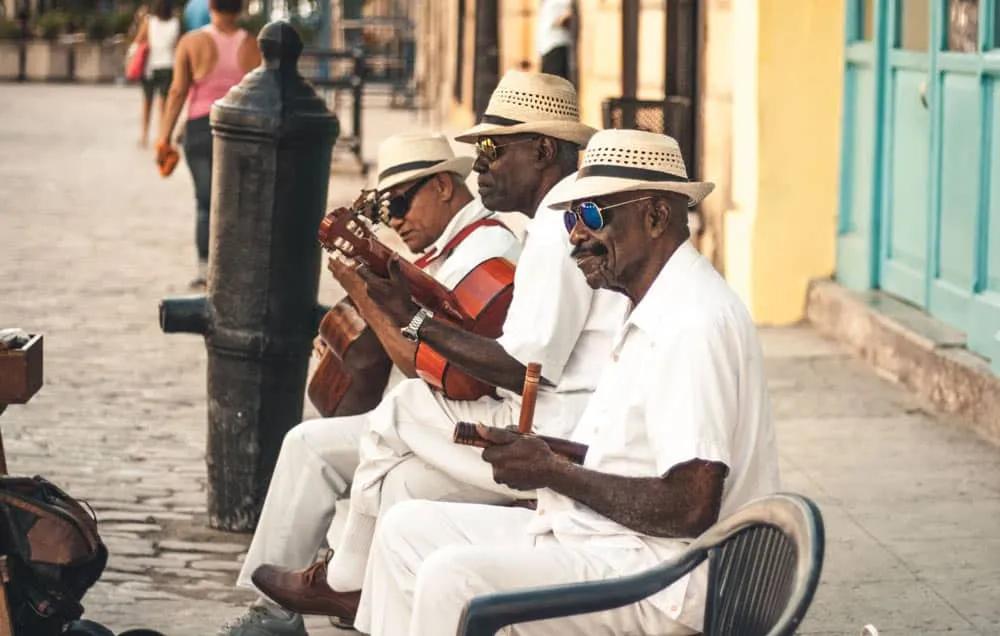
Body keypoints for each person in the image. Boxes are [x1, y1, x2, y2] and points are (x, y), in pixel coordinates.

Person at [356, 129, 781, 635]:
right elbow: (634, 457)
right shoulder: (650, 303)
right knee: (406, 530)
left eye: (595, 215)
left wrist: (553, 473)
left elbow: (690, 506)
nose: (577, 235)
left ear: (656, 216)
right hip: (613, 543)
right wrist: (544, 456)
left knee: (456, 577)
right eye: (573, 218)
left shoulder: (691, 323)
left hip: (666, 581)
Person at [248, 71, 629, 630]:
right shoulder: (557, 222)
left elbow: (523, 367)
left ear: (544, 149)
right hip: (557, 412)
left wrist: (416, 320)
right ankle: (345, 596)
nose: (480, 166)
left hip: (557, 426)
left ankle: (345, 579)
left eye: (494, 150)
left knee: (403, 411)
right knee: (402, 486)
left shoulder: (556, 228)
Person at [216, 132, 523, 636]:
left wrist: (367, 296)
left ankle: (344, 586)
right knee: (307, 444)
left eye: (402, 202)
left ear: (444, 186)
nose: (396, 220)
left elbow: (427, 364)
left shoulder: (486, 250)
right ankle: (273, 609)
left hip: (473, 422)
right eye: (386, 211)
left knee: (392, 433)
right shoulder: (443, 250)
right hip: (446, 417)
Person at [156, 0, 260, 289]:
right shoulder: (253, 45)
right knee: (239, 202)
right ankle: (237, 267)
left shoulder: (191, 43)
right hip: (242, 129)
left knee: (205, 202)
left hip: (201, 127)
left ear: (210, 6)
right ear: (240, 8)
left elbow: (177, 91)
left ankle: (205, 271)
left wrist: (163, 137)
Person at [132, 0, 180, 148]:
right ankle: (162, 135)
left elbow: (138, 40)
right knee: (163, 104)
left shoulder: (149, 22)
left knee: (147, 102)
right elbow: (176, 46)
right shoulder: (175, 23)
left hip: (150, 67)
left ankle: (144, 135)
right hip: (168, 66)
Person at [536, 0, 573, 79]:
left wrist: (559, 22)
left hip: (557, 44)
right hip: (546, 47)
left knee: (556, 81)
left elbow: (568, 14)